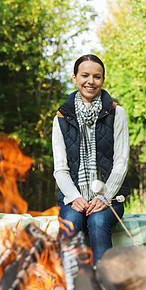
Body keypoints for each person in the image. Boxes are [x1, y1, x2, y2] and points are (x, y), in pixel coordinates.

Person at [52, 54, 130, 264]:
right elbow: (60, 168)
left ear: (102, 80)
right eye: (85, 75)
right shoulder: (61, 117)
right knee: (71, 222)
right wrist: (74, 197)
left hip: (110, 197)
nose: (91, 81)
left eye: (97, 76)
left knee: (97, 222)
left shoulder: (117, 113)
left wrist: (104, 197)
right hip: (72, 197)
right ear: (75, 78)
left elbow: (121, 162)